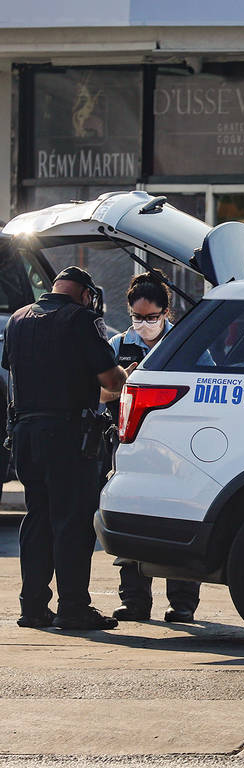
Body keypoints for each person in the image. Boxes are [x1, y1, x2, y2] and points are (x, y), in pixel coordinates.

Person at [2, 266, 126, 630]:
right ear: (85, 293)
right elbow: (110, 379)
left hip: (25, 433)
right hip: (68, 435)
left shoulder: (19, 319)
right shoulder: (81, 319)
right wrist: (127, 375)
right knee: (71, 521)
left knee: (37, 517)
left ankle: (33, 607)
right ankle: (73, 608)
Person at [101, 272, 201, 624]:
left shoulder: (185, 344)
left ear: (165, 313)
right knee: (130, 521)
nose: (143, 324)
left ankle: (183, 603)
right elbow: (98, 395)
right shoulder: (117, 346)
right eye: (136, 317)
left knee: (178, 519)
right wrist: (123, 383)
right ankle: (134, 601)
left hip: (176, 448)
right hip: (129, 446)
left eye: (150, 317)